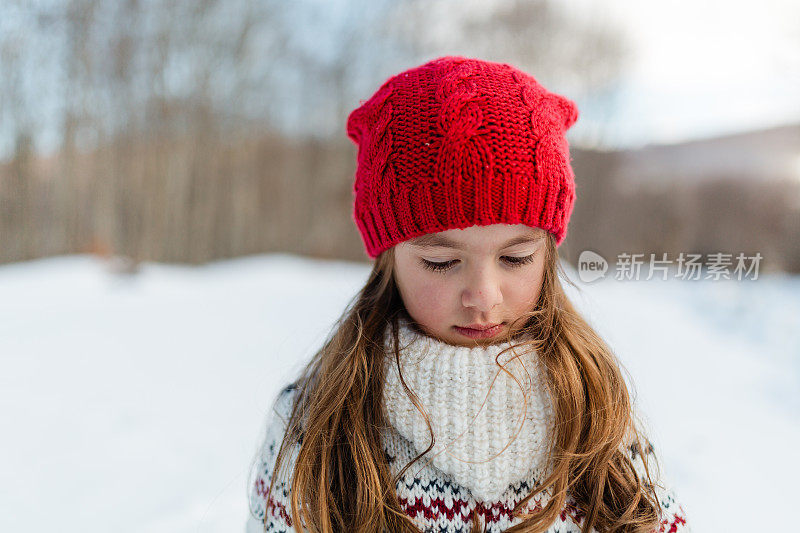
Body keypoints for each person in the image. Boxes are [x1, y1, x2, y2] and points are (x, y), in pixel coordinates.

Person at [246, 56, 691, 533]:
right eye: (441, 262)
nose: (483, 296)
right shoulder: (312, 422)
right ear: (388, 257)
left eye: (515, 257)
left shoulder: (597, 411)